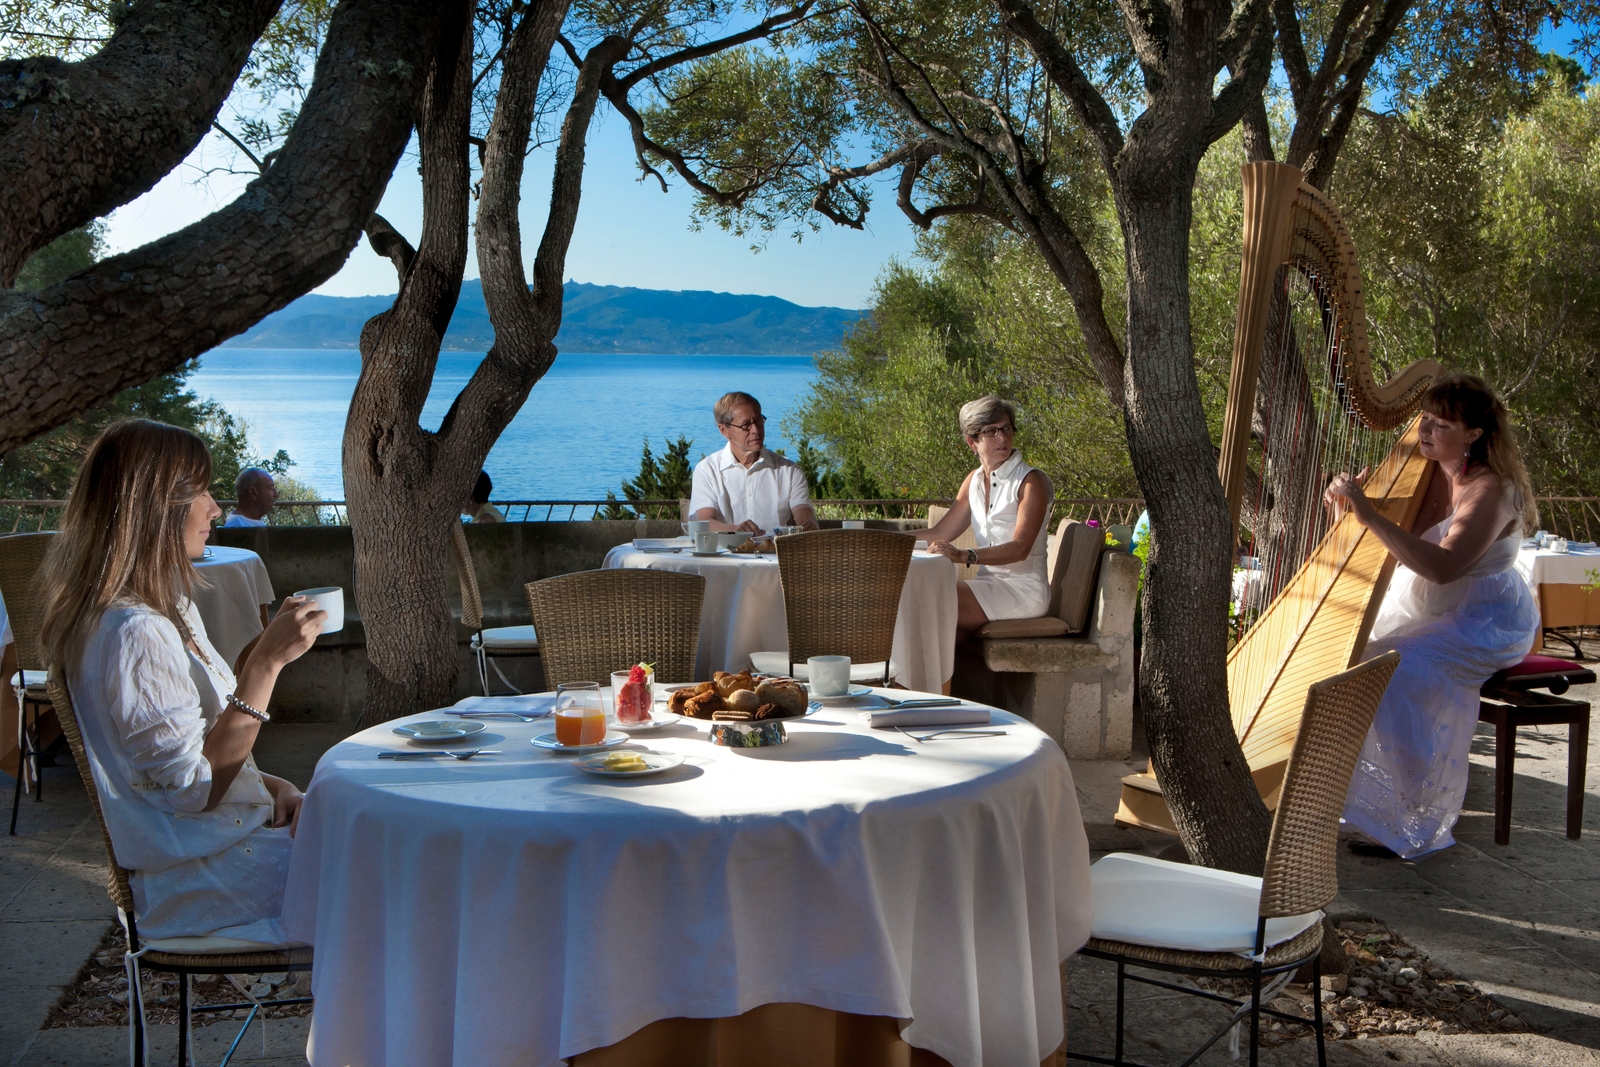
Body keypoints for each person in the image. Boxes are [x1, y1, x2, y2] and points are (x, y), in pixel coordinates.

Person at [38, 420, 325, 944]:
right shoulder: (134, 631)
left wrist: (267, 787)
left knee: (383, 848)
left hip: (217, 850)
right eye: (201, 492)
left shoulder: (162, 609)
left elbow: (171, 763)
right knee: (402, 879)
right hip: (203, 880)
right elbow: (192, 790)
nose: (216, 508)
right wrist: (264, 665)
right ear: (155, 507)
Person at [1325, 374, 1540, 859]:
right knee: (1350, 652)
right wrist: (1345, 508)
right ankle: (1360, 798)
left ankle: (1414, 816)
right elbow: (1377, 545)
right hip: (1428, 605)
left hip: (1484, 616)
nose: (1424, 430)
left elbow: (1443, 568)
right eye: (1423, 419)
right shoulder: (1424, 471)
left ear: (1474, 434)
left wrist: (1371, 515)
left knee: (1396, 668)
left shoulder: (1492, 489)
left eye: (1441, 424)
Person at [924, 396, 1054, 638]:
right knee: (921, 598)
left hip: (1023, 591)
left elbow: (1020, 548)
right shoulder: (972, 481)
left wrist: (963, 555)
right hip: (987, 584)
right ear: (972, 442)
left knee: (927, 603)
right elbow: (939, 533)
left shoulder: (1030, 481)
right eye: (992, 431)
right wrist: (884, 538)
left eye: (1006, 429)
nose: (1002, 438)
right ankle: (931, 676)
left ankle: (918, 677)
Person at [689, 392, 819, 533]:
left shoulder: (789, 471)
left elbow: (804, 515)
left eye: (758, 421)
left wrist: (810, 524)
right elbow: (704, 523)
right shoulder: (708, 470)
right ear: (724, 430)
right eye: (746, 425)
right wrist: (735, 531)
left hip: (775, 553)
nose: (756, 430)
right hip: (726, 554)